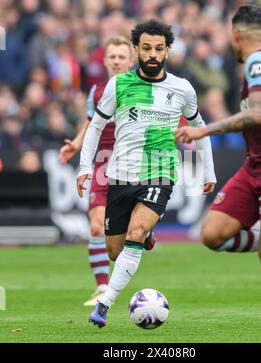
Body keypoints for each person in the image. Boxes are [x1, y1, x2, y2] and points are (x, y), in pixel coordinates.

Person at [77, 19, 217, 328]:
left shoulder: (182, 88)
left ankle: (104, 304)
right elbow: (96, 126)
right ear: (136, 50)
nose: (152, 54)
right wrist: (85, 166)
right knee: (115, 250)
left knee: (135, 234)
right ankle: (145, 237)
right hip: (120, 175)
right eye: (146, 48)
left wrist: (209, 170)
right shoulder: (118, 85)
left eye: (158, 48)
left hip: (159, 174)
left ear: (167, 50)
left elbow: (200, 129)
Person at [175, 5, 261, 343]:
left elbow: (257, 115)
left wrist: (204, 131)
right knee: (213, 234)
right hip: (256, 164)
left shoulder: (260, 63)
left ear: (236, 34)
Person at [59, 36, 136, 306]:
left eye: (121, 57)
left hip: (133, 165)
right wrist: (76, 144)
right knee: (95, 226)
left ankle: (141, 239)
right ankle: (102, 288)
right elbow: (90, 123)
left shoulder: (142, 88)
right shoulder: (97, 91)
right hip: (103, 165)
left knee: (131, 232)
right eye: (111, 56)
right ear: (104, 61)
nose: (116, 61)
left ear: (131, 60)